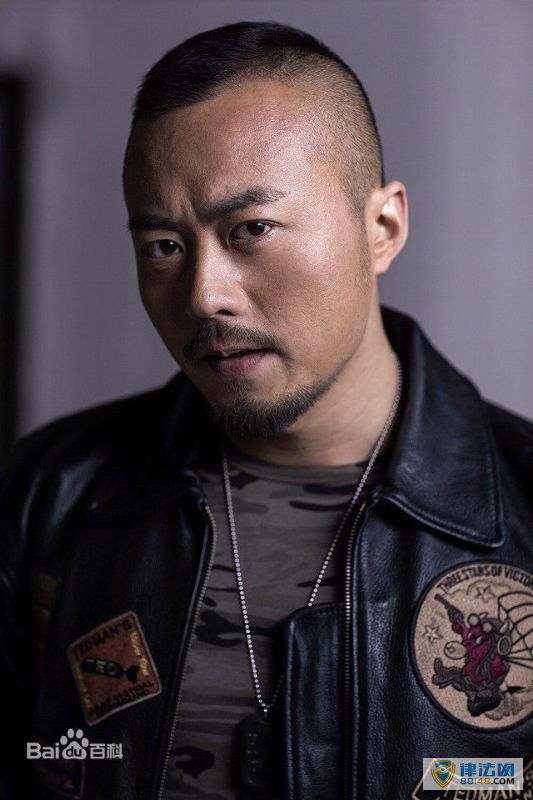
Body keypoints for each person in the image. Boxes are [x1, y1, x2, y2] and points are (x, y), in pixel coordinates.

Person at [1, 20, 532, 800]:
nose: (203, 296)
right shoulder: (49, 498)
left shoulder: (519, 506)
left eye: (250, 229)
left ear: (381, 228)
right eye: (163, 246)